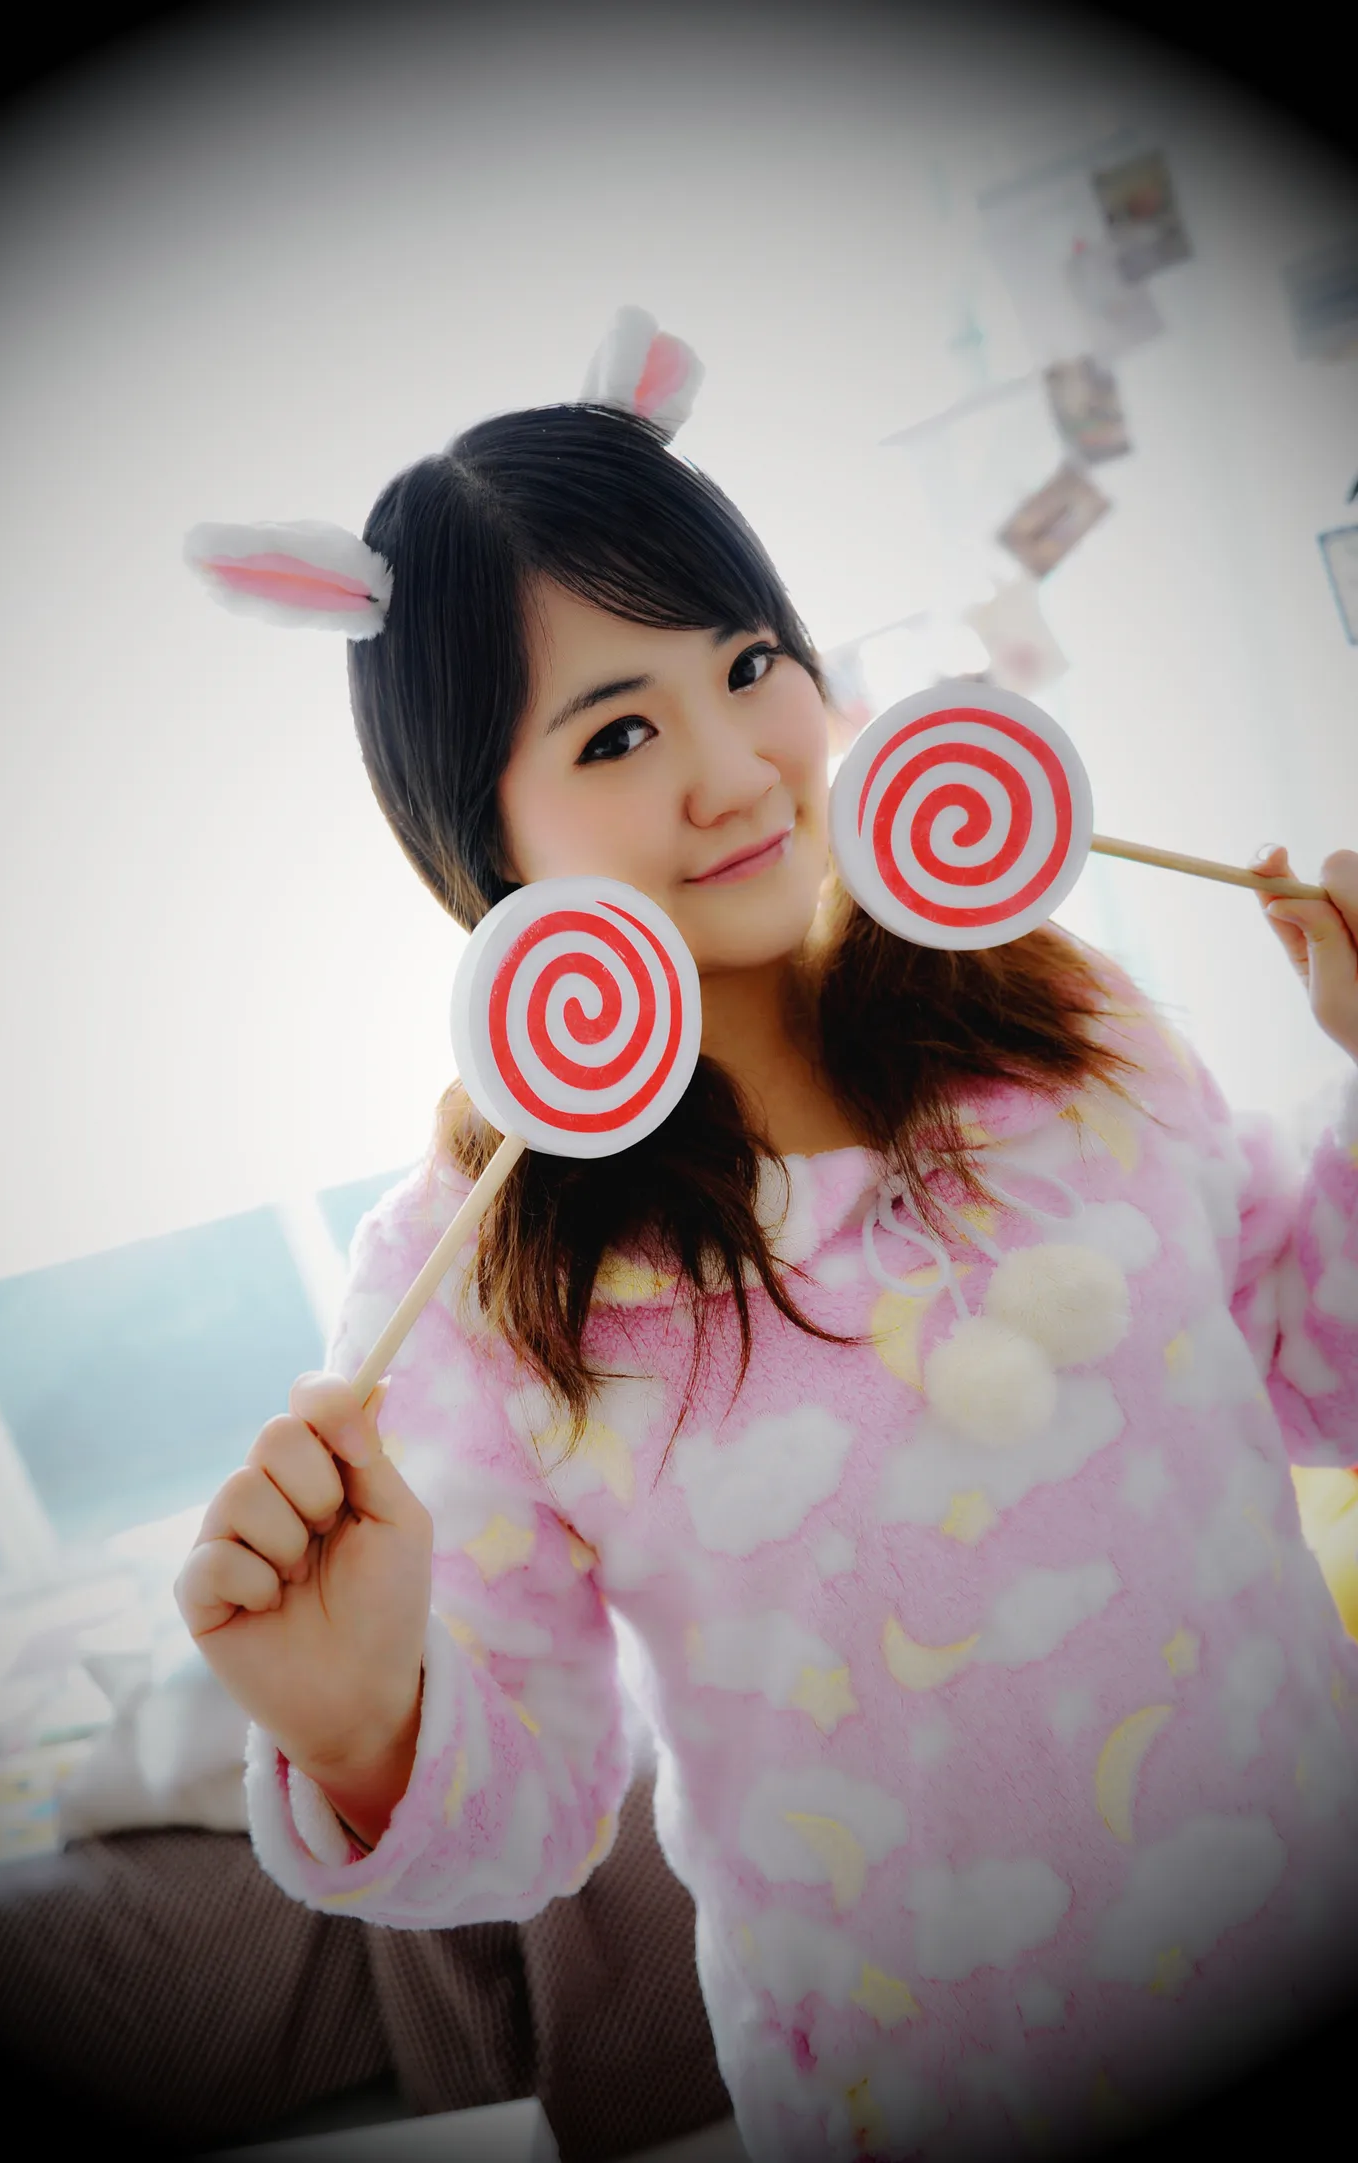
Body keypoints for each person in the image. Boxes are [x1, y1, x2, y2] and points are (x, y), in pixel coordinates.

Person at [176, 311, 1358, 2163]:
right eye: (618, 730)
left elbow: (1315, 1358)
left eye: (749, 664)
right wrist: (362, 1731)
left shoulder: (1067, 1018)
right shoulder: (479, 1283)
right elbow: (534, 1816)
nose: (735, 769)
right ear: (480, 832)